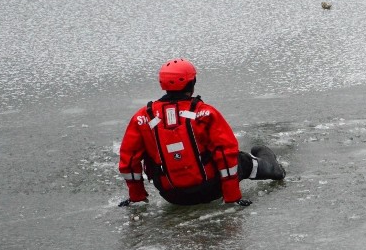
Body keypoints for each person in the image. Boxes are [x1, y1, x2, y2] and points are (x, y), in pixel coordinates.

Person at [117, 58, 286, 207]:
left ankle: (142, 196)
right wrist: (232, 197)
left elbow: (129, 161)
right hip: (212, 188)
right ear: (192, 82)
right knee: (241, 159)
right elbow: (226, 154)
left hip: (172, 196)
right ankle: (272, 169)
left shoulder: (142, 118)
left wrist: (136, 197)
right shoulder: (205, 113)